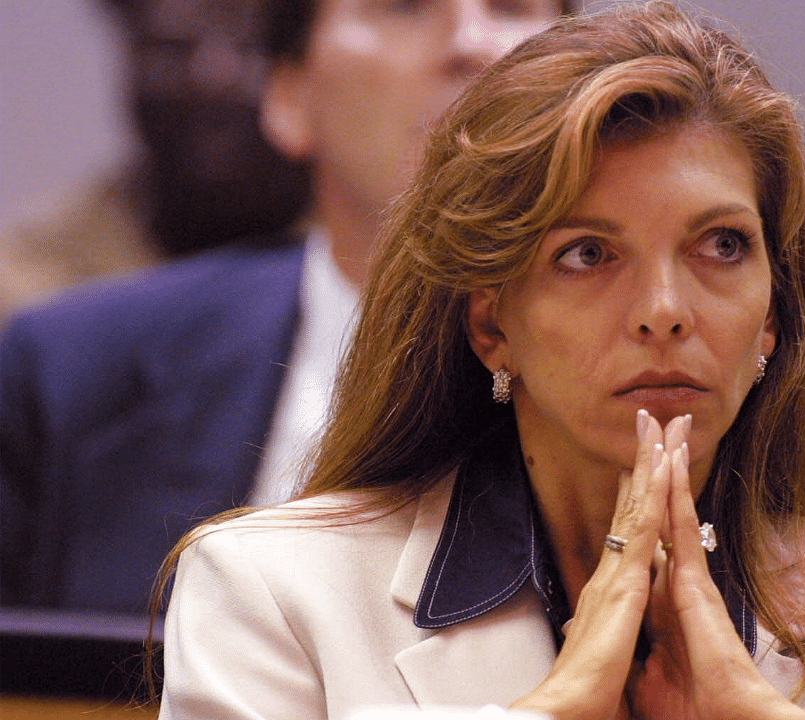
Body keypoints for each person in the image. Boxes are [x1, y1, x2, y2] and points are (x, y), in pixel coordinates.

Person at [156, 4, 805, 718]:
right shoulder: (273, 599)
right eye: (587, 254)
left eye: (722, 246)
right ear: (490, 324)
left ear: (774, 320)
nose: (664, 313)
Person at [0, 0, 566, 613]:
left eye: (511, 5)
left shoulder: (656, 376)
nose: (471, 42)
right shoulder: (64, 375)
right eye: (404, 6)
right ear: (290, 97)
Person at [0, 0, 311, 321]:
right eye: (173, 47)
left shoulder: (356, 266)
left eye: (253, 47)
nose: (214, 78)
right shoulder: (27, 285)